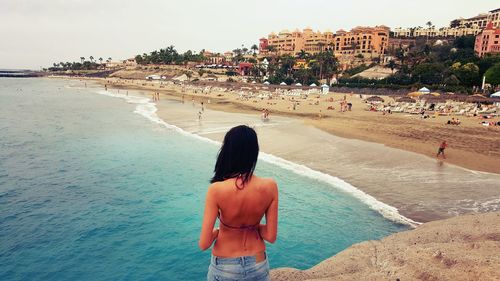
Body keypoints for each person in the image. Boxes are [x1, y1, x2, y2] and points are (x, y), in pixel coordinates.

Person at [199, 125, 278, 281]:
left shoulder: (216, 190)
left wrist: (217, 232)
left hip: (225, 266)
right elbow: (271, 236)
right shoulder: (270, 186)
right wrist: (253, 226)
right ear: (254, 153)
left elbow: (204, 243)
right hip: (258, 262)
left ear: (227, 152)